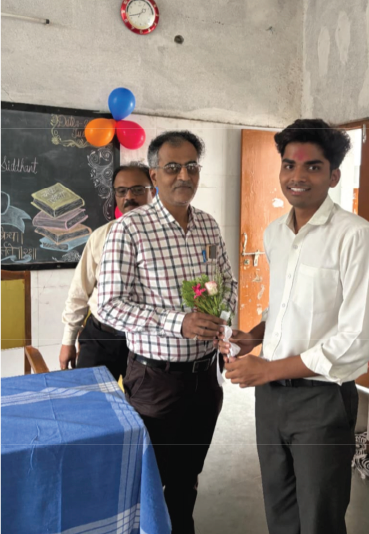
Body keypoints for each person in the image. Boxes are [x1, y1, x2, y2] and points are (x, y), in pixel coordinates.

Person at [220, 119, 369, 534]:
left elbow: (356, 339)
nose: (297, 176)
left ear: (334, 176)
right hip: (270, 399)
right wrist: (253, 337)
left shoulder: (356, 236)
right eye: (289, 165)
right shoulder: (275, 233)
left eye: (313, 167)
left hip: (321, 400)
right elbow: (284, 307)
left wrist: (267, 369)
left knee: (319, 518)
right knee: (279, 509)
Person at [97, 131, 238, 534]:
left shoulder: (208, 225)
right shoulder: (130, 229)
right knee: (146, 479)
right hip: (155, 381)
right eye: (173, 167)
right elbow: (108, 305)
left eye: (192, 166)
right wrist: (177, 321)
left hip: (205, 378)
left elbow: (228, 283)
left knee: (186, 477)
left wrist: (220, 317)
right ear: (155, 175)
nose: (184, 176)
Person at [59, 163, 155, 380]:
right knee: (89, 397)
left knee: (140, 400)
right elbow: (79, 291)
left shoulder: (166, 241)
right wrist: (68, 341)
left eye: (138, 189)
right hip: (102, 337)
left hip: (147, 341)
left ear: (154, 191)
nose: (129, 197)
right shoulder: (101, 236)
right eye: (121, 191)